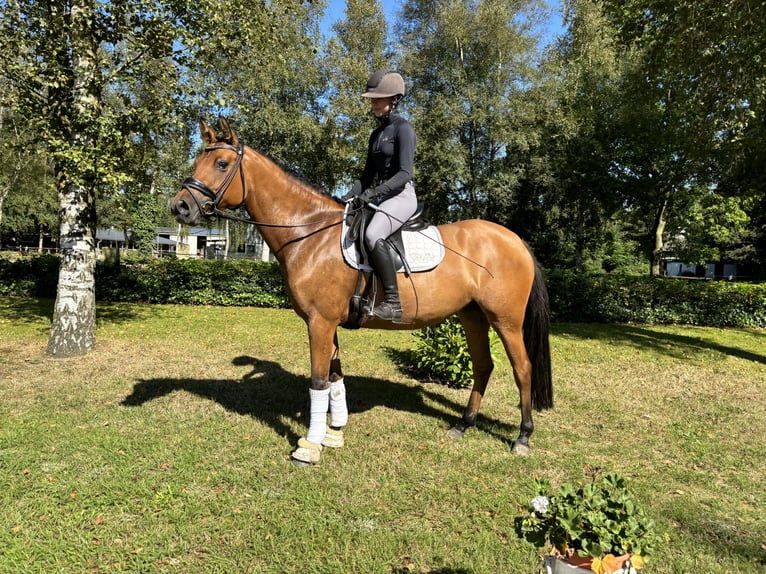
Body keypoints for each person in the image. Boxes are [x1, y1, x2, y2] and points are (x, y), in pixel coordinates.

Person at [342, 70, 417, 323]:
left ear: (394, 99)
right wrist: (348, 196)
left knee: (373, 234)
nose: (373, 103)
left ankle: (394, 304)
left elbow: (406, 172)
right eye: (372, 99)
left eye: (378, 98)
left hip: (402, 195)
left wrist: (374, 192)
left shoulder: (403, 129)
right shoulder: (376, 136)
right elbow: (365, 176)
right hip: (382, 196)